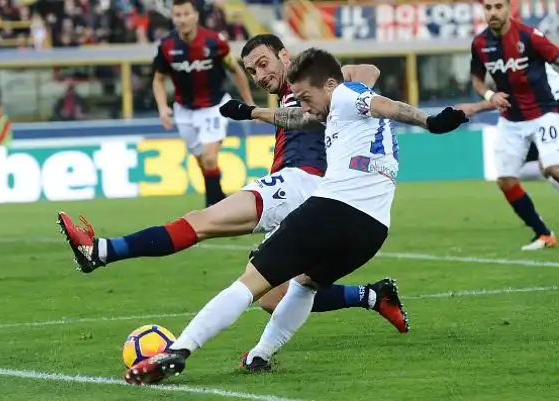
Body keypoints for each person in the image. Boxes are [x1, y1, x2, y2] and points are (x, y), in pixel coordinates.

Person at [122, 48, 467, 384]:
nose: (303, 105)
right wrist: (252, 112)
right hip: (372, 230)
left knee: (251, 283)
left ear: (329, 84)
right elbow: (301, 117)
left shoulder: (347, 95)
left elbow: (390, 105)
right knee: (306, 285)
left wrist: (430, 121)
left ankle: (179, 350)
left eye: (304, 96)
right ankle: (260, 354)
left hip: (333, 210)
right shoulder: (339, 113)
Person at [56, 34, 409, 357]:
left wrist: (349, 87)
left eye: (264, 63)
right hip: (311, 194)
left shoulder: (316, 79)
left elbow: (367, 69)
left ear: (286, 55)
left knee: (203, 221)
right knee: (273, 296)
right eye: (252, 70)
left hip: (304, 180)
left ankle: (101, 251)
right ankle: (373, 296)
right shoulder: (296, 96)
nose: (259, 74)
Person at [470, 0, 559, 250]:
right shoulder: (479, 44)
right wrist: (489, 96)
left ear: (509, 8)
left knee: (552, 168)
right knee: (506, 181)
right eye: (488, 8)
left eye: (498, 6)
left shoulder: (530, 37)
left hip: (544, 113)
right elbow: (476, 79)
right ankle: (544, 234)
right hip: (511, 120)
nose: (493, 12)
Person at [154, 0, 254, 207]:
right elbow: (158, 79)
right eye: (177, 15)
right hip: (184, 111)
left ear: (196, 15)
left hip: (214, 107)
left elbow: (235, 70)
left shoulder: (215, 41)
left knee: (209, 159)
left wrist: (249, 102)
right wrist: (163, 107)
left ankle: (214, 206)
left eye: (185, 14)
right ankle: (219, 200)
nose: (182, 19)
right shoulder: (166, 46)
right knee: (203, 162)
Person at [457, 63, 559, 191]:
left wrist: (474, 108)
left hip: (551, 113)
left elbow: (513, 97)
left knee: (549, 165)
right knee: (547, 167)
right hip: (549, 112)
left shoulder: (523, 60)